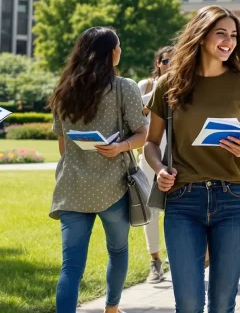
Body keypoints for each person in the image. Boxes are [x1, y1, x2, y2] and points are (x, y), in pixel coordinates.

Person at [144, 6, 240, 313]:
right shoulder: (169, 84)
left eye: (234, 36)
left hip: (234, 199)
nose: (229, 41)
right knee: (187, 303)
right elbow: (150, 143)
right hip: (184, 200)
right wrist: (159, 169)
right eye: (221, 34)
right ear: (201, 37)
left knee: (222, 303)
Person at [49, 26, 148, 313]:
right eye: (118, 47)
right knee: (117, 251)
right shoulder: (124, 87)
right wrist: (119, 148)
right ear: (111, 53)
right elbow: (141, 135)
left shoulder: (63, 91)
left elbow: (62, 147)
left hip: (73, 189)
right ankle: (112, 308)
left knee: (71, 266)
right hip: (113, 188)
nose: (120, 51)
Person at [138, 46, 174, 283]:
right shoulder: (146, 86)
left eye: (174, 62)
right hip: (150, 157)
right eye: (165, 61)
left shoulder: (187, 87)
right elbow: (135, 116)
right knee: (150, 212)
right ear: (158, 63)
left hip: (176, 158)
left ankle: (179, 256)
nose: (169, 65)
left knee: (177, 211)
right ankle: (155, 261)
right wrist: (154, 98)